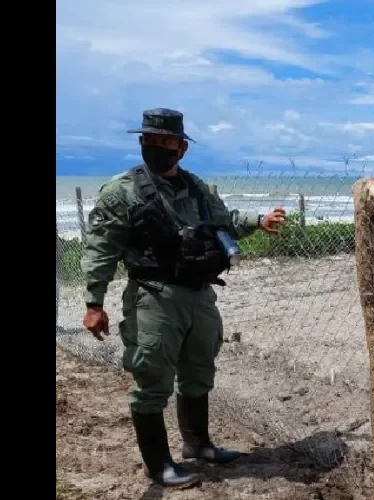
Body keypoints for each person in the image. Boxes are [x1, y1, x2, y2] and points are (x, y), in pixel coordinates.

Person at [81, 108, 287, 488]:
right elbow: (101, 248)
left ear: (182, 148)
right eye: (151, 141)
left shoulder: (197, 189)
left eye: (166, 142)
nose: (158, 148)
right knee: (151, 376)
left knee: (198, 371)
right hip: (153, 296)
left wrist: (259, 221)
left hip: (198, 294)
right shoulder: (122, 192)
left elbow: (224, 222)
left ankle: (199, 445)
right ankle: (158, 465)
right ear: (142, 142)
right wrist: (94, 303)